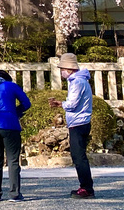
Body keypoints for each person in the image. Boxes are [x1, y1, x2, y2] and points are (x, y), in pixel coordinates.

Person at [50, 53, 95, 199]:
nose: (61, 71)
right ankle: (85, 186)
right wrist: (61, 103)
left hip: (78, 122)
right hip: (80, 121)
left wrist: (62, 104)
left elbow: (72, 104)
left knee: (79, 157)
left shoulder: (77, 82)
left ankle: (86, 188)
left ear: (69, 68)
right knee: (78, 156)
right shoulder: (78, 81)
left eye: (63, 68)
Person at [0, 70, 30, 202]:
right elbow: (26, 103)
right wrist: (16, 112)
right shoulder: (11, 86)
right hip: (10, 124)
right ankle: (14, 193)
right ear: (6, 78)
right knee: (13, 160)